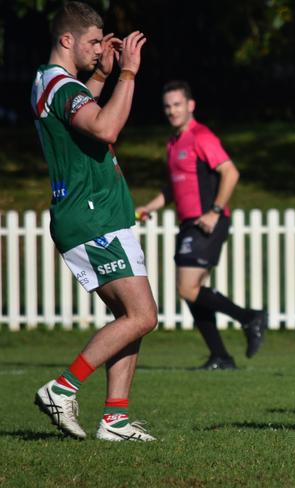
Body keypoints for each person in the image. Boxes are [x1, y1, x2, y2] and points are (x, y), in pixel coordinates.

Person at [31, 2, 156, 441]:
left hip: (97, 214)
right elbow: (104, 127)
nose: (100, 48)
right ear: (66, 40)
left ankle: (115, 419)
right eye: (92, 42)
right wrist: (127, 74)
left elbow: (81, 113)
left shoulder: (50, 83)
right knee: (143, 315)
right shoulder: (62, 87)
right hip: (92, 217)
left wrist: (102, 74)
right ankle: (62, 388)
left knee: (129, 316)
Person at [136, 81, 267, 370]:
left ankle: (250, 318)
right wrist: (148, 207)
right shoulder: (173, 143)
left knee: (188, 288)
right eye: (168, 106)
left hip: (207, 223)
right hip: (189, 224)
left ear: (190, 105)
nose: (172, 111)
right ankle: (220, 356)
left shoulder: (201, 136)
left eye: (177, 105)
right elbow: (173, 188)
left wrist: (215, 212)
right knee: (192, 290)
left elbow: (230, 172)